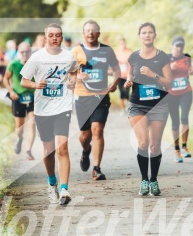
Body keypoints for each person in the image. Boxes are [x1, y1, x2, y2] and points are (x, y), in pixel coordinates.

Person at [20, 23, 78, 205]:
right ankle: (52, 182)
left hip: (63, 107)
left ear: (61, 37)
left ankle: (64, 189)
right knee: (48, 151)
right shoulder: (37, 57)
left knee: (62, 148)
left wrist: (72, 81)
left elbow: (74, 71)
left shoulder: (69, 56)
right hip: (43, 109)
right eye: (51, 35)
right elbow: (24, 81)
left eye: (58, 35)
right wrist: (36, 85)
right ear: (46, 37)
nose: (55, 38)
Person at [124, 22, 171, 196]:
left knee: (154, 145)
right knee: (143, 143)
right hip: (137, 105)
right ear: (139, 36)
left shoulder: (163, 56)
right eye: (144, 32)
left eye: (150, 32)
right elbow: (131, 73)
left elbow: (169, 83)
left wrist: (153, 75)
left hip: (159, 105)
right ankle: (144, 179)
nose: (147, 35)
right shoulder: (134, 57)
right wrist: (129, 81)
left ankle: (154, 179)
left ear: (154, 35)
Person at [72, 20, 121, 181]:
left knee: (97, 130)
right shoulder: (77, 51)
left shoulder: (107, 51)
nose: (91, 33)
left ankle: (96, 168)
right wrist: (78, 75)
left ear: (99, 33)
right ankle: (86, 151)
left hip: (101, 96)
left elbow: (116, 70)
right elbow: (68, 72)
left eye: (94, 30)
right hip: (82, 97)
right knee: (85, 136)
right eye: (87, 30)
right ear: (83, 33)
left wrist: (114, 84)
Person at [3, 42, 36, 160]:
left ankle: (28, 150)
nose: (25, 54)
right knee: (20, 127)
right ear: (18, 52)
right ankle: (20, 138)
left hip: (32, 98)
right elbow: (5, 79)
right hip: (18, 97)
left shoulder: (34, 64)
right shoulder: (13, 64)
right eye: (22, 51)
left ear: (31, 52)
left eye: (27, 51)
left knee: (32, 123)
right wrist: (11, 92)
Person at [167, 36, 193, 162]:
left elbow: (190, 69)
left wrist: (192, 71)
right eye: (177, 46)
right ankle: (176, 150)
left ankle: (184, 146)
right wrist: (169, 70)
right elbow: (160, 76)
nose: (179, 48)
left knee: (184, 117)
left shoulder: (187, 57)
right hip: (171, 94)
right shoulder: (166, 59)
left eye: (181, 46)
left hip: (185, 92)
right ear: (172, 46)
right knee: (175, 122)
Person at [114, 36, 132, 113]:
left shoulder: (129, 52)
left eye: (123, 43)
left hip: (127, 75)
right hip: (119, 75)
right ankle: (122, 109)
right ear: (119, 44)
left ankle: (128, 108)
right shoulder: (116, 52)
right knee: (121, 92)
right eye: (121, 43)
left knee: (127, 92)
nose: (122, 45)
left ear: (125, 43)